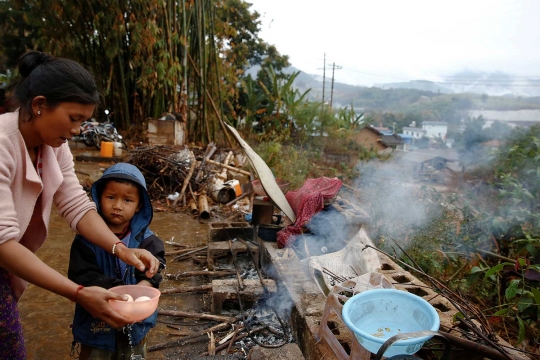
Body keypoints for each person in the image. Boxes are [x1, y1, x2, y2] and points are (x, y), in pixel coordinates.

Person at [0, 51, 159, 359]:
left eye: (83, 122)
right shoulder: (3, 144)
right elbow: (4, 243)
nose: (76, 131)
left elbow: (76, 204)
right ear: (39, 105)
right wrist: (79, 293)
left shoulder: (54, 145)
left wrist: (120, 249)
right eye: (74, 119)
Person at [68, 162, 166, 359]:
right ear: (98, 198)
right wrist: (117, 291)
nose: (117, 206)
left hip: (135, 323)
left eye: (127, 200)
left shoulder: (148, 241)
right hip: (95, 324)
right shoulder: (86, 241)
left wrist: (142, 290)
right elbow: (81, 275)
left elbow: (155, 271)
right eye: (111, 197)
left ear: (139, 205)